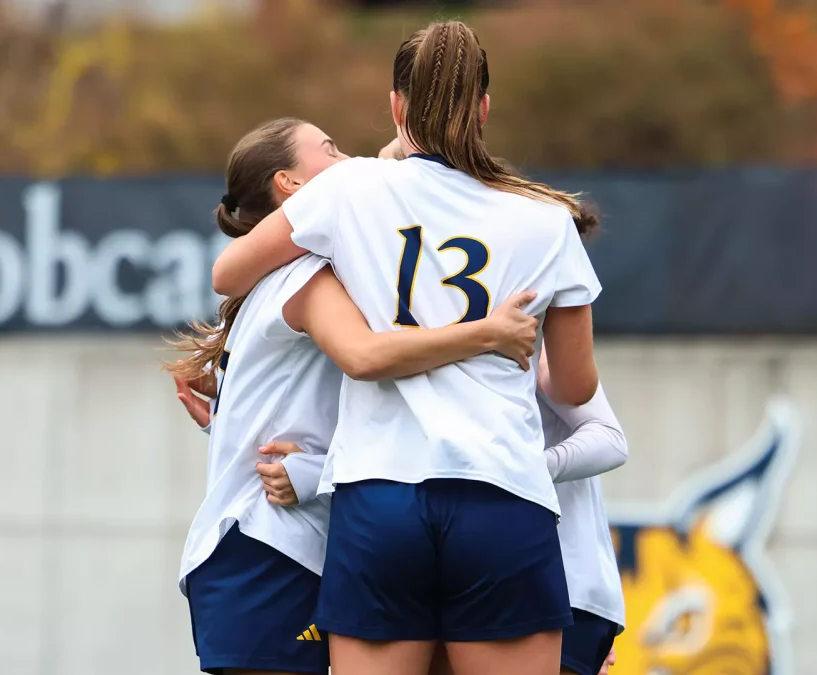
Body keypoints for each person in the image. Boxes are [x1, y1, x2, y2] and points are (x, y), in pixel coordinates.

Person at [209, 20, 603, 675]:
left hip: (378, 497)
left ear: (395, 107)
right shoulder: (545, 217)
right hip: (501, 492)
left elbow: (229, 274)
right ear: (483, 108)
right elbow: (575, 387)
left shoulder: (347, 188)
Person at [168, 117, 542, 675]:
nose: (350, 160)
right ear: (290, 184)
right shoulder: (306, 275)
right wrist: (488, 332)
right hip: (269, 550)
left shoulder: (303, 266)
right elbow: (365, 357)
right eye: (331, 149)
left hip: (276, 548)